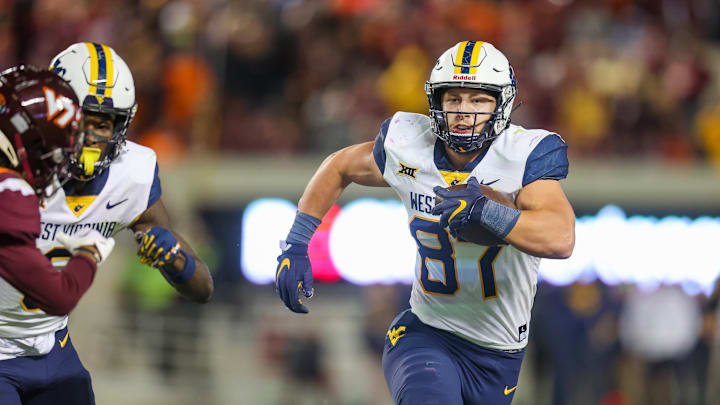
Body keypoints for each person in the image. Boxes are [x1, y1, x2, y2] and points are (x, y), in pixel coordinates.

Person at [275, 40, 575, 404]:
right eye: (454, 99)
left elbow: (561, 238)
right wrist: (297, 241)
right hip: (426, 333)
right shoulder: (410, 143)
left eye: (479, 100)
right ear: (437, 102)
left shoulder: (522, 156)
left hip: (499, 354)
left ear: (502, 103)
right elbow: (339, 165)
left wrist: (486, 211)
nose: (464, 111)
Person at [36, 42, 214, 401]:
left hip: (47, 342)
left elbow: (202, 288)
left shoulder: (129, 176)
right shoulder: (16, 161)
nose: (92, 138)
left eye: (103, 124)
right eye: (83, 120)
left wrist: (173, 256)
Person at [0, 65, 116, 405]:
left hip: (47, 351)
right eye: (50, 152)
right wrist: (90, 253)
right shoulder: (9, 193)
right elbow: (59, 296)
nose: (55, 165)